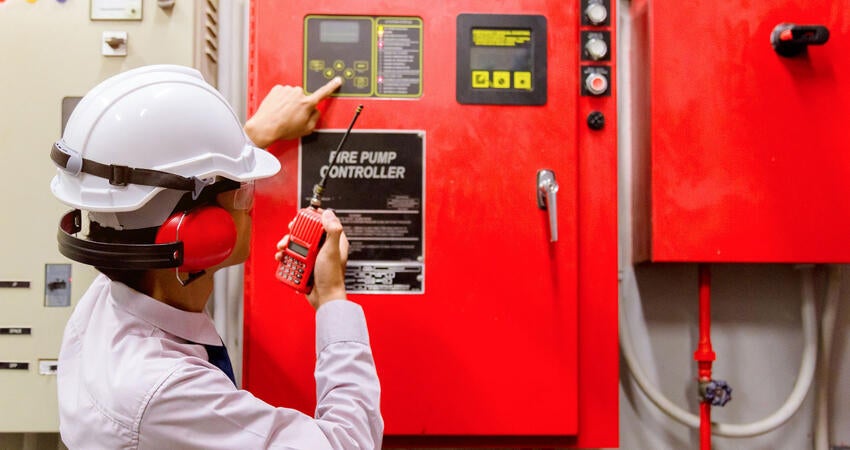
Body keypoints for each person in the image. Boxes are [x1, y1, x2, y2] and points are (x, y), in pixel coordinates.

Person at [49, 65, 382, 449]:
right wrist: (332, 300)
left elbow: (151, 190)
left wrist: (253, 135)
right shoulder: (167, 392)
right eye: (242, 190)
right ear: (200, 231)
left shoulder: (103, 303)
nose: (250, 201)